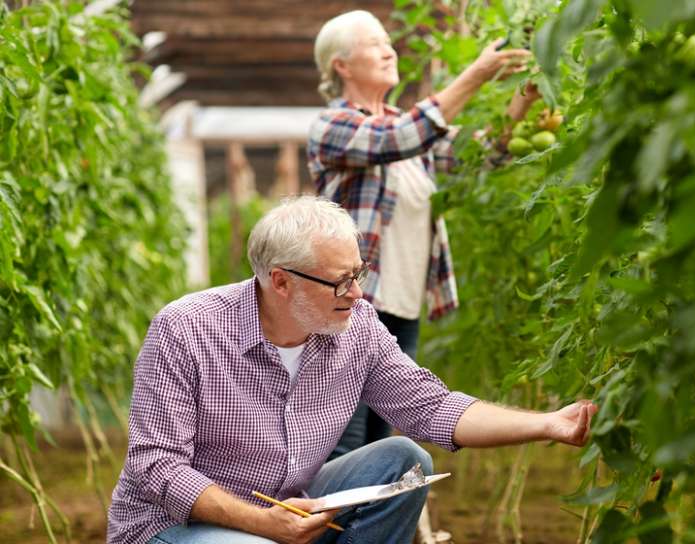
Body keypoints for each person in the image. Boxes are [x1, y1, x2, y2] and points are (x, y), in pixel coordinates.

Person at [106, 197, 597, 544]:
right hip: (173, 529)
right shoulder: (186, 329)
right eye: (340, 282)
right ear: (280, 281)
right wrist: (263, 524)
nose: (357, 294)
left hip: (288, 507)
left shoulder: (356, 325)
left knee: (405, 460)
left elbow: (431, 409)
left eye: (358, 274)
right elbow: (157, 469)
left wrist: (548, 424)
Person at [308, 10, 542, 458]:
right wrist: (476, 73)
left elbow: (480, 154)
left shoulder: (410, 132)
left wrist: (524, 98)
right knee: (342, 446)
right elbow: (401, 136)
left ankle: (368, 529)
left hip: (401, 309)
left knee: (380, 448)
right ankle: (311, 528)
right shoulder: (334, 127)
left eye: (388, 42)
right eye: (375, 43)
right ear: (341, 65)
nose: (389, 49)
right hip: (351, 308)